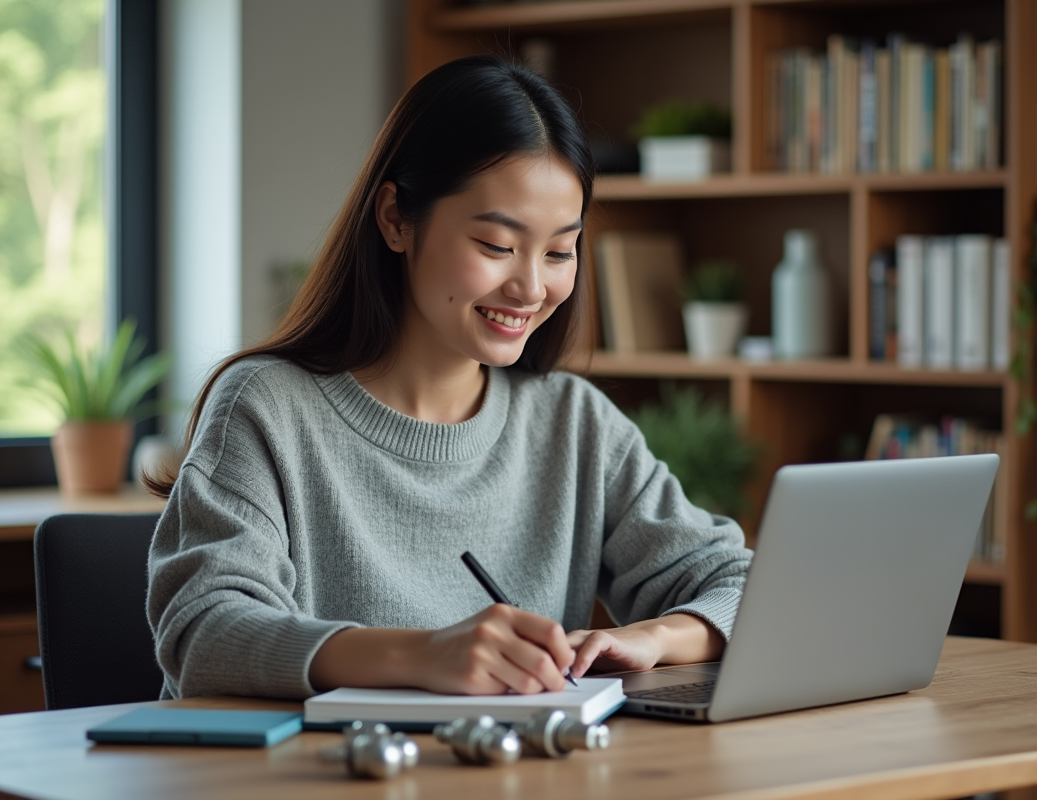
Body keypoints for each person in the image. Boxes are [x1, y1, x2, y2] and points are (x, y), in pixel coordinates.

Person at [145, 55, 752, 700]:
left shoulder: (574, 423)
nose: (531, 287)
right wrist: (423, 654)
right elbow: (203, 631)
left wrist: (656, 638)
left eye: (559, 251)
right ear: (395, 219)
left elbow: (740, 585)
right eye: (497, 246)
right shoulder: (267, 407)